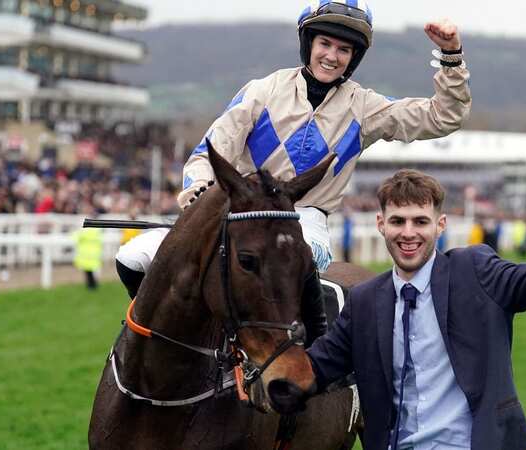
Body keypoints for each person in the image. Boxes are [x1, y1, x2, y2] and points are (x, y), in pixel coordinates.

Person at [115, 0, 472, 347]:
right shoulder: (262, 91)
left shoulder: (364, 108)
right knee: (132, 259)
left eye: (344, 49)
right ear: (309, 43)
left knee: (294, 256)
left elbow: (442, 117)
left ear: (354, 57)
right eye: (325, 44)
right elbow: (209, 152)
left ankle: (315, 359)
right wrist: (200, 193)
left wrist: (451, 57)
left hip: (305, 218)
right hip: (238, 212)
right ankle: (150, 345)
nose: (332, 56)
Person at [308, 140, 526, 449]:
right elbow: (315, 369)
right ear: (381, 225)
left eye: (420, 221)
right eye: (398, 221)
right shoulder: (364, 302)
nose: (408, 232)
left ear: (440, 225)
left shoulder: (476, 271)